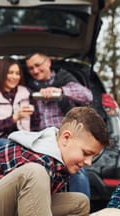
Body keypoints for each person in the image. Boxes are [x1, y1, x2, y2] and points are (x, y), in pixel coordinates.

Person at [25, 52, 93, 197]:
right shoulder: (28, 88)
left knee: (77, 171)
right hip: (40, 140)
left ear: (48, 62)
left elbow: (88, 96)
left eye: (38, 65)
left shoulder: (64, 79)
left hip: (65, 138)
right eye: (31, 68)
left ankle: (80, 215)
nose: (35, 71)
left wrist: (61, 91)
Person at [0, 57, 38, 157]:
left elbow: (36, 122)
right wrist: (15, 118)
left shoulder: (27, 93)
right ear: (1, 74)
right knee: (10, 146)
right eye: (10, 73)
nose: (14, 77)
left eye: (17, 73)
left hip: (24, 139)